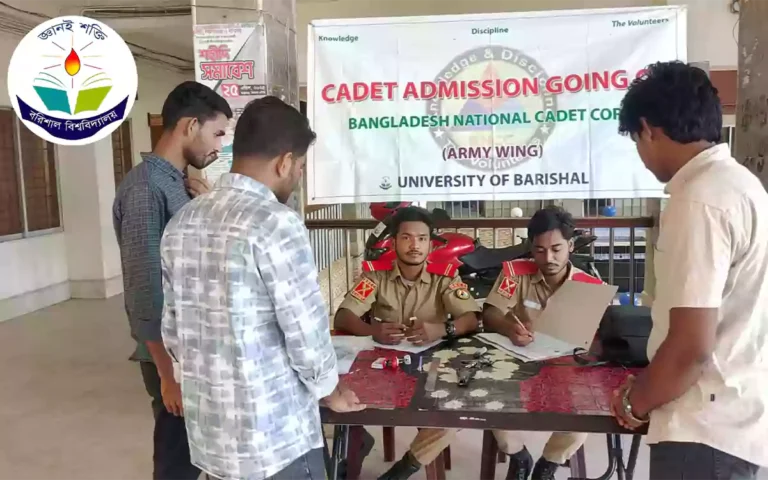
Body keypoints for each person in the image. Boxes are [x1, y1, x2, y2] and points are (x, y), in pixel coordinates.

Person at [159, 96, 365, 480]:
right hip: (276, 438)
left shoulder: (184, 220)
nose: (297, 177)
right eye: (300, 167)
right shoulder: (275, 222)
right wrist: (330, 390)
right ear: (284, 162)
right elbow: (305, 330)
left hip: (213, 437)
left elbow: (172, 329)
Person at [610, 60, 768, 479]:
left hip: (702, 430)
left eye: (636, 140)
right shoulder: (742, 186)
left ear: (648, 129)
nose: (642, 156)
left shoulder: (699, 200)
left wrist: (635, 402)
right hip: (734, 417)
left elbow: (690, 347)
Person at [113, 80, 232, 479]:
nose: (219, 147)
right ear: (190, 125)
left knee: (200, 454)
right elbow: (145, 289)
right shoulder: (147, 188)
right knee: (177, 464)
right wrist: (168, 376)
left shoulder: (179, 183)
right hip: (173, 358)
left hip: (194, 347)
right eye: (217, 133)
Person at [334, 206, 481, 480]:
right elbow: (344, 315)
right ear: (393, 242)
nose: (415, 245)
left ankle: (403, 469)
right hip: (383, 367)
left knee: (451, 414)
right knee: (340, 397)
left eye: (422, 239)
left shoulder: (445, 277)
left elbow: (471, 318)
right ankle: (358, 442)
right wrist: (372, 330)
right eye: (406, 238)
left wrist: (442, 329)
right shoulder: (375, 276)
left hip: (432, 367)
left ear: (430, 244)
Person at [483, 206, 604, 480]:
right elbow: (490, 313)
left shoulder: (590, 286)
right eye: (539, 250)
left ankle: (547, 465)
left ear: (570, 246)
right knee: (490, 402)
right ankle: (519, 456)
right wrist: (509, 328)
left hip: (567, 370)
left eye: (556, 249)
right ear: (531, 248)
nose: (548, 258)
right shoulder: (514, 274)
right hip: (518, 363)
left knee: (584, 417)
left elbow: (600, 337)